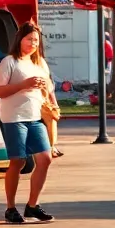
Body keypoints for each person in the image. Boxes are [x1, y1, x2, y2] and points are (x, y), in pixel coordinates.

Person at [0, 23, 54, 224]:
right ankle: (10, 208)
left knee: (45, 159)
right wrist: (23, 85)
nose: (33, 43)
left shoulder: (40, 63)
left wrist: (46, 88)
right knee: (18, 161)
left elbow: (49, 88)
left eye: (36, 40)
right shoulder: (9, 62)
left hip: (35, 118)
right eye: (29, 39)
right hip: (13, 119)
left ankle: (32, 206)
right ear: (20, 40)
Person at [33, 31, 63, 159]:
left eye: (36, 41)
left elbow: (49, 84)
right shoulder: (23, 61)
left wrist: (53, 102)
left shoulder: (41, 61)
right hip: (33, 100)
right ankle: (49, 148)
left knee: (52, 118)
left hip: (44, 99)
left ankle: (51, 146)